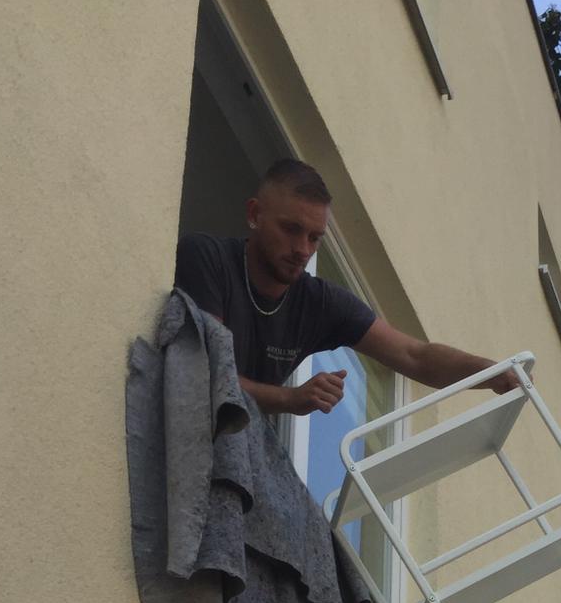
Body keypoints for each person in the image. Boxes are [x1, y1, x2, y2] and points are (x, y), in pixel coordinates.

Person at [175, 158, 517, 416]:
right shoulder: (207, 258)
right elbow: (206, 372)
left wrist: (491, 373)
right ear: (254, 214)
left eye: (314, 238)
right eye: (291, 229)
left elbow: (414, 356)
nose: (303, 250)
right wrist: (290, 399)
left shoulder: (320, 302)